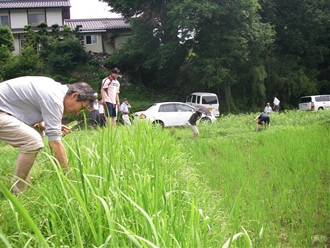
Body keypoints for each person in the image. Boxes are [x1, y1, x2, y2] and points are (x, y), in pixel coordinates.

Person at [0, 76, 95, 194]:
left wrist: (46, 125)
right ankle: (19, 192)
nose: (77, 112)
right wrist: (69, 176)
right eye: (81, 108)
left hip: (6, 111)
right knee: (33, 141)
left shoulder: (53, 88)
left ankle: (24, 180)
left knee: (37, 132)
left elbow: (28, 105)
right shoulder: (54, 99)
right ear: (74, 96)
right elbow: (54, 143)